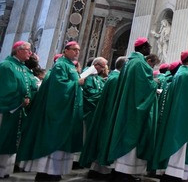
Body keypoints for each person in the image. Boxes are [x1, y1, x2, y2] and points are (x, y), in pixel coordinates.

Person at [17, 41, 84, 181]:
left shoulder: (70, 66)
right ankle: (45, 172)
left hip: (66, 110)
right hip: (57, 110)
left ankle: (54, 172)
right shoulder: (61, 65)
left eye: (78, 50)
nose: (77, 52)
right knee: (52, 139)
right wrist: (76, 83)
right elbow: (59, 86)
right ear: (66, 50)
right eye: (74, 50)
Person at [105, 37, 158, 181]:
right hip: (134, 108)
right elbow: (145, 87)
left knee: (122, 136)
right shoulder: (141, 64)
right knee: (131, 137)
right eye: (148, 47)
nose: (149, 49)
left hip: (126, 106)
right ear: (143, 48)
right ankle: (124, 173)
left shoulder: (129, 62)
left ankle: (118, 170)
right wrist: (155, 85)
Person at [151, 50, 188, 181]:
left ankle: (173, 172)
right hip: (183, 115)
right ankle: (174, 174)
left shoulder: (181, 72)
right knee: (180, 144)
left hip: (178, 112)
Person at [80, 56, 127, 179]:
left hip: (105, 114)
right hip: (109, 115)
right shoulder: (117, 79)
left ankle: (97, 169)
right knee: (104, 141)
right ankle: (101, 171)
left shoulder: (113, 78)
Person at [0, 41, 37, 179]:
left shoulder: (23, 67)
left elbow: (30, 86)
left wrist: (28, 97)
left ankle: (4, 170)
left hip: (18, 110)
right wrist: (20, 100)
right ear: (18, 50)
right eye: (28, 50)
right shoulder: (6, 66)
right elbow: (6, 88)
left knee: (10, 140)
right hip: (6, 110)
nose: (31, 53)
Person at [82, 57, 108, 134]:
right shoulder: (87, 73)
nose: (103, 69)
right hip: (87, 110)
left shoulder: (95, 75)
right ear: (96, 64)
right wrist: (103, 91)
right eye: (102, 67)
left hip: (93, 109)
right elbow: (89, 91)